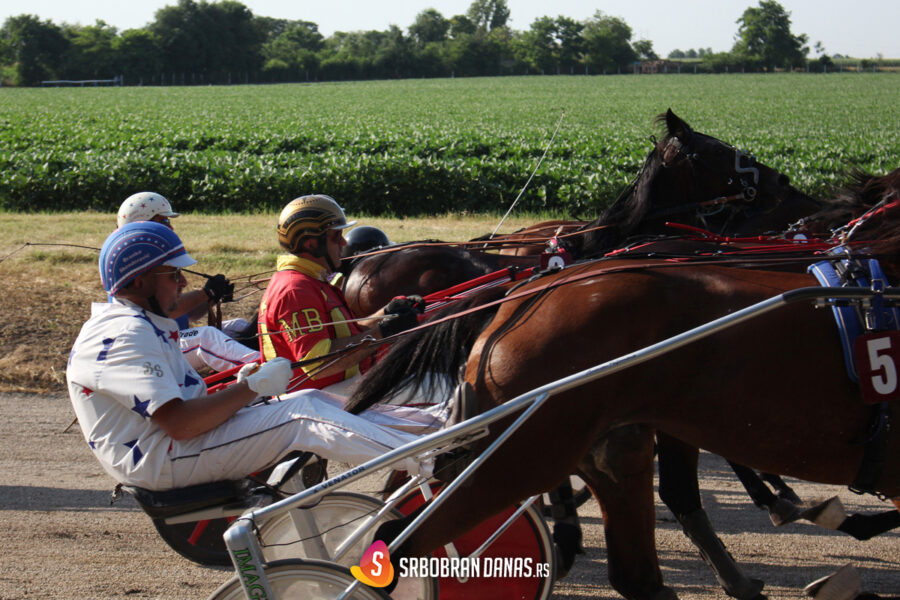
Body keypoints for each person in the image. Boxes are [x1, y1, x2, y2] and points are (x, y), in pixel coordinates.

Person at [66, 221, 441, 491]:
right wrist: (251, 388)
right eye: (172, 274)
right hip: (160, 459)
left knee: (305, 399)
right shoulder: (124, 334)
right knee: (301, 416)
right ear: (136, 282)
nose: (183, 282)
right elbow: (180, 424)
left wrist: (248, 388)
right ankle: (430, 461)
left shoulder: (142, 324)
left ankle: (432, 427)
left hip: (170, 447)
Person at [257, 194, 453, 427]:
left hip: (332, 388)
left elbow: (344, 336)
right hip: (316, 398)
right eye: (335, 236)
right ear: (311, 243)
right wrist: (383, 332)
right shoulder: (295, 289)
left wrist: (386, 313)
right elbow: (317, 362)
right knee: (445, 391)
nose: (343, 243)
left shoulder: (311, 281)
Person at [117, 191, 259, 372]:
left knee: (239, 325)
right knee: (207, 337)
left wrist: (211, 298)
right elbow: (166, 311)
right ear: (143, 223)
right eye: (165, 222)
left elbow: (187, 316)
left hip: (172, 338)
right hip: (152, 349)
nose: (171, 228)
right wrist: (206, 293)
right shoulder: (137, 268)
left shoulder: (159, 264)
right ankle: (273, 369)